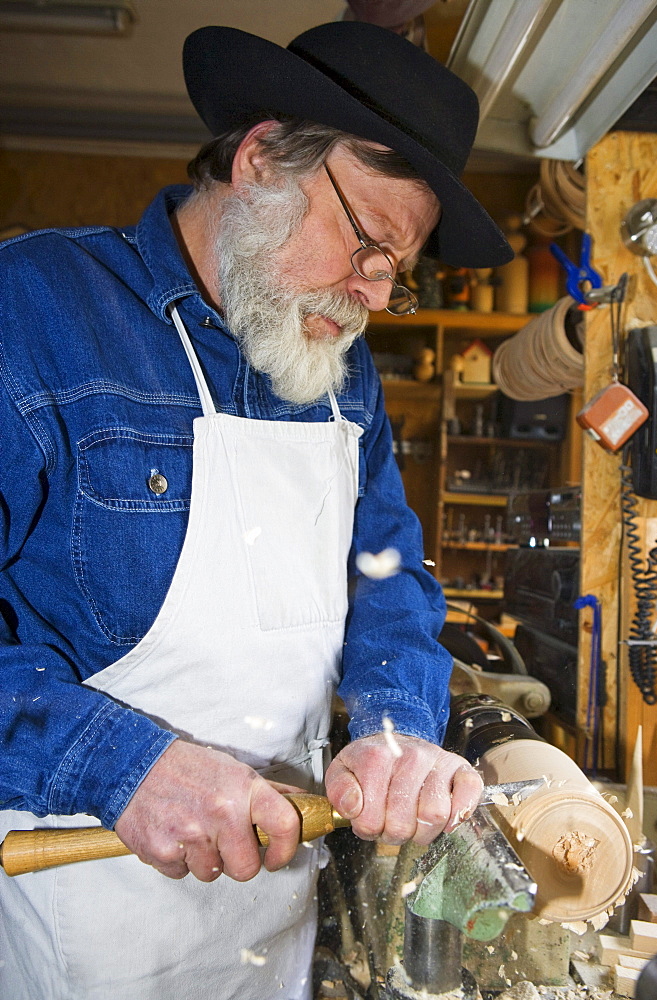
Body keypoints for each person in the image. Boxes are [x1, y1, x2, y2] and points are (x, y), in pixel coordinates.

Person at [0, 21, 512, 1000]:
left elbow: (386, 578)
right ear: (261, 160)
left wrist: (395, 730)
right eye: (367, 244)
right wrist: (123, 764)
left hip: (270, 923)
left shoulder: (338, 375)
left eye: (393, 274)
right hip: (72, 913)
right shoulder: (31, 311)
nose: (370, 293)